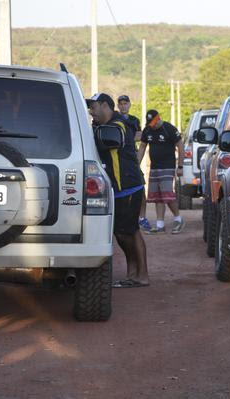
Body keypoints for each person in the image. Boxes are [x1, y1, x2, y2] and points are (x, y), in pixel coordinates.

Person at [86, 92, 149, 288]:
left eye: (93, 107)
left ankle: (142, 275)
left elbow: (109, 137)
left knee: (127, 232)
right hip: (119, 188)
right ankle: (134, 274)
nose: (90, 111)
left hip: (128, 187)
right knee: (125, 232)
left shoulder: (118, 125)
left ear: (105, 106)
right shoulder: (101, 125)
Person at [137, 109, 185, 234]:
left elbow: (180, 146)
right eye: (149, 123)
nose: (151, 125)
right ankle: (160, 225)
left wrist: (180, 166)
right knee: (157, 196)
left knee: (167, 194)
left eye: (153, 122)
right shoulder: (147, 130)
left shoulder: (168, 128)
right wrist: (136, 164)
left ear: (158, 118)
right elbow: (142, 147)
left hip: (168, 166)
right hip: (154, 167)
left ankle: (178, 219)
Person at [117, 94, 151, 233]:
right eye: (121, 103)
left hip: (132, 158)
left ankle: (142, 218)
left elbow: (140, 137)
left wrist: (128, 138)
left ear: (130, 105)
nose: (123, 106)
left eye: (126, 103)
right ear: (118, 106)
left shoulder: (134, 120)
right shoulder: (115, 118)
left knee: (140, 188)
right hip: (118, 158)